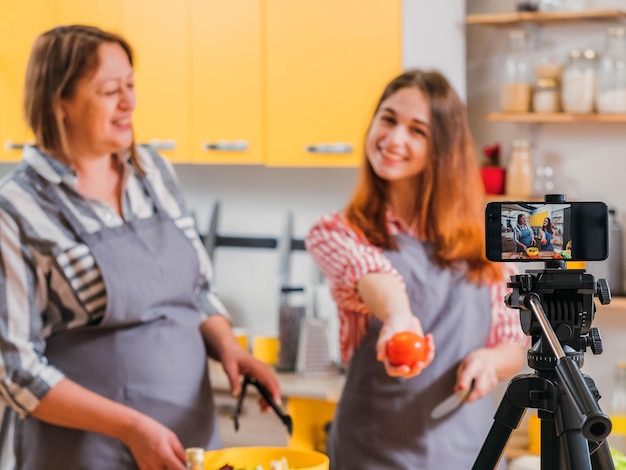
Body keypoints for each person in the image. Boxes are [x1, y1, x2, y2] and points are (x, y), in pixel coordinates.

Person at [0, 25, 280, 470]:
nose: (129, 102)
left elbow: (195, 291)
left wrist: (229, 346)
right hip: (82, 452)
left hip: (187, 443)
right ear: (60, 103)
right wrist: (132, 427)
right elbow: (15, 370)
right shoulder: (15, 208)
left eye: (131, 86)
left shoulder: (153, 171)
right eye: (110, 90)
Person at [305, 69, 528, 469]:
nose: (393, 140)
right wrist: (398, 318)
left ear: (443, 148)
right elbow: (370, 270)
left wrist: (489, 363)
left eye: (417, 130)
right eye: (388, 119)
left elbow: (512, 339)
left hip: (466, 450)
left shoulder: (487, 240)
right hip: (370, 452)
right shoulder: (337, 232)